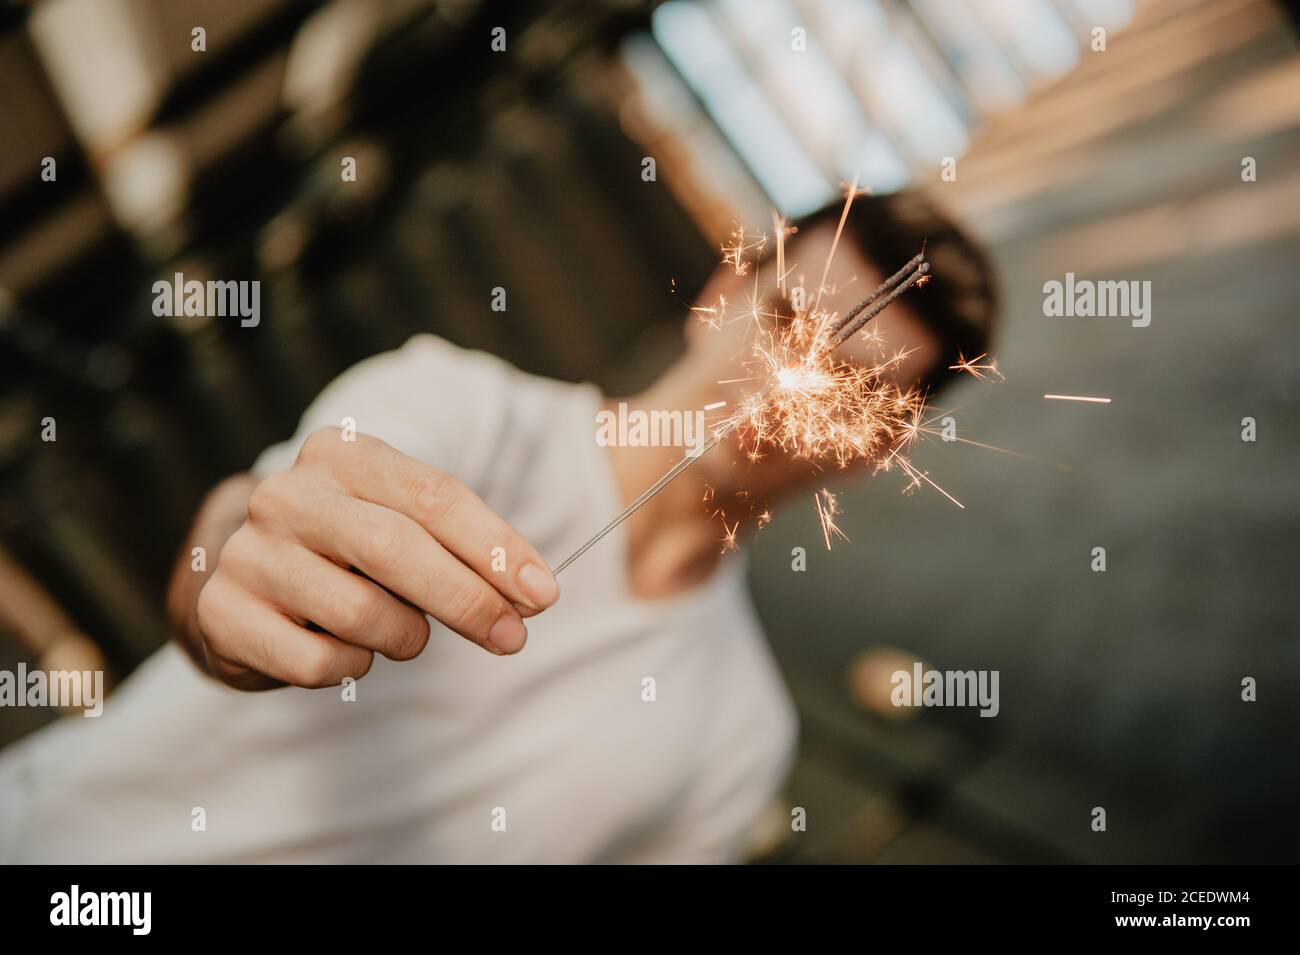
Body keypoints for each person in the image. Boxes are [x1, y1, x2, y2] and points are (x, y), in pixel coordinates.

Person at [0, 189, 996, 863]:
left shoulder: (739, 737)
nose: (791, 392)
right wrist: (234, 572)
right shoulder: (454, 405)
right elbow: (243, 536)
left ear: (874, 451)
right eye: (786, 321)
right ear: (722, 293)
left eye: (855, 389)